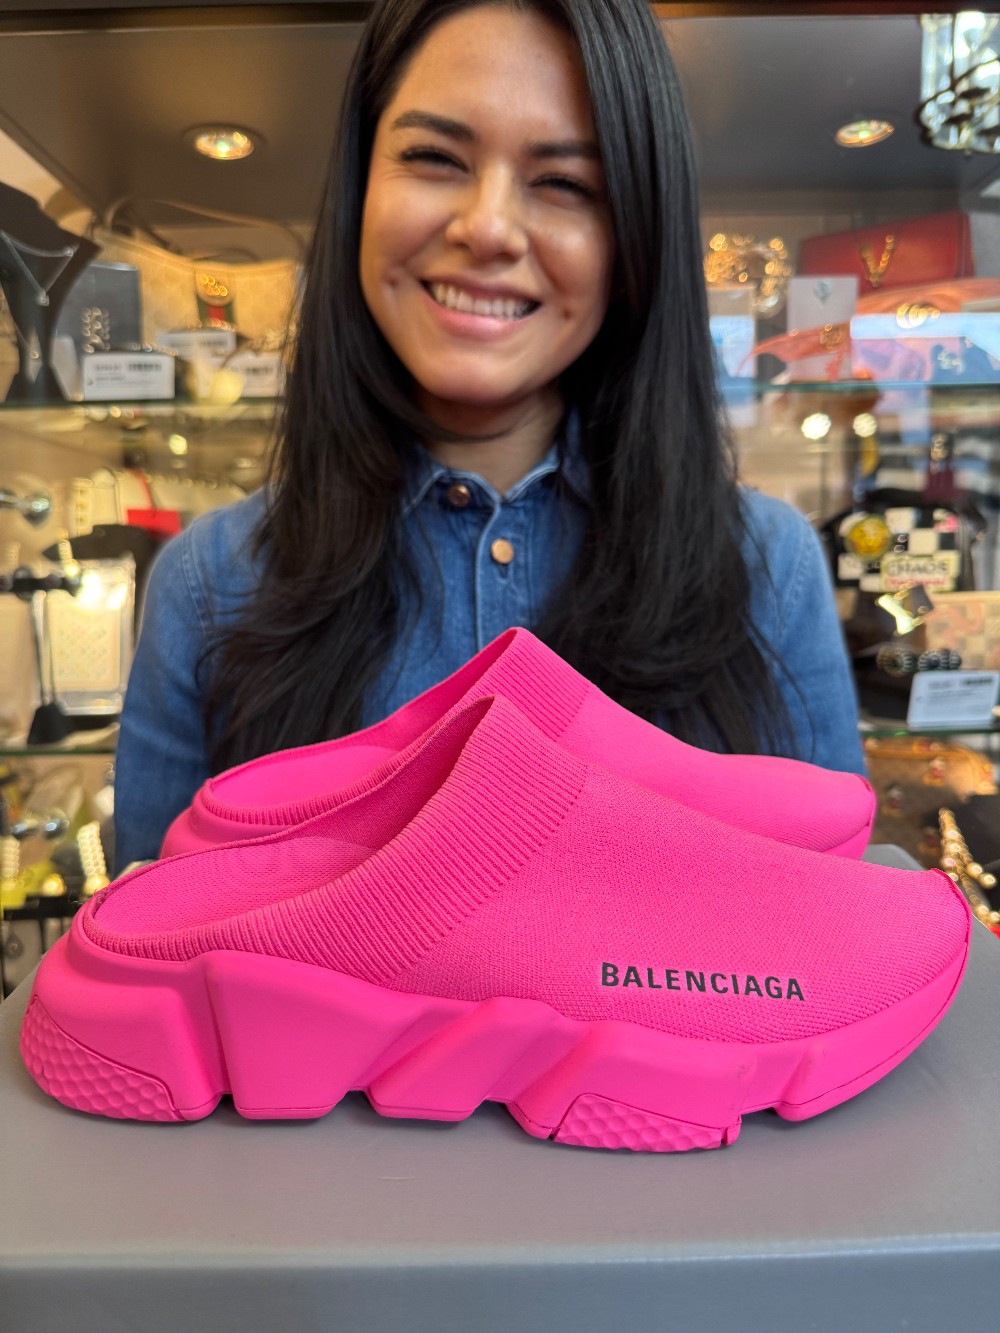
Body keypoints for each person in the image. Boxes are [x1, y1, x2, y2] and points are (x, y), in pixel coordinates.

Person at [113, 0, 864, 871]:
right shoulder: (211, 584)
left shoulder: (768, 570)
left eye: (566, 183)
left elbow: (836, 926)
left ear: (633, 238)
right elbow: (146, 939)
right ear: (359, 187)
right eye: (435, 158)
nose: (489, 228)